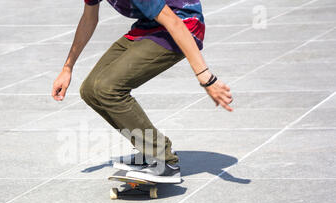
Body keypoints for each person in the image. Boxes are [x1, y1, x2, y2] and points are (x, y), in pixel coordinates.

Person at [52, 0, 233, 183]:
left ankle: (164, 161)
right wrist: (68, 68)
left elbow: (174, 23)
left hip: (183, 24)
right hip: (149, 26)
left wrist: (206, 78)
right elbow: (89, 19)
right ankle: (149, 152)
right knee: (90, 90)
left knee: (108, 89)